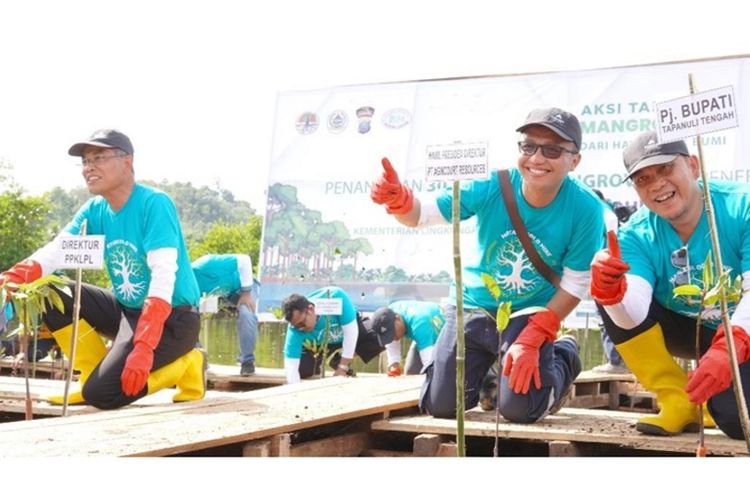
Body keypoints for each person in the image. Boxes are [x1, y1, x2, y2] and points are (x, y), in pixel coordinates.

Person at [371, 107, 605, 423]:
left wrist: (536, 336)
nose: (536, 158)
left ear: (574, 160)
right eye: (528, 146)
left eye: (551, 150)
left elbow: (575, 283)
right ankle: (491, 378)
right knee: (441, 407)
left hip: (527, 315)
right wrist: (397, 199)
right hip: (471, 308)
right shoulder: (491, 185)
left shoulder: (586, 208)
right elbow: (420, 215)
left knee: (520, 410)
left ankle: (564, 356)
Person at [0, 129, 204, 409]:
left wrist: (144, 346)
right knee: (49, 290)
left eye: (98, 158)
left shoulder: (154, 203)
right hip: (127, 310)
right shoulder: (95, 209)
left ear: (127, 162)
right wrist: (10, 280)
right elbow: (57, 250)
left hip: (173, 319)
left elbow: (163, 276)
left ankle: (186, 364)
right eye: (84, 161)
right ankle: (90, 375)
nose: (88, 167)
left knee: (103, 395)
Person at [590, 130, 750, 438]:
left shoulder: (741, 206)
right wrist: (612, 292)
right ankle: (679, 400)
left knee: (735, 418)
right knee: (611, 292)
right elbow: (634, 311)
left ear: (692, 165)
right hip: (689, 330)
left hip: (742, 332)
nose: (657, 184)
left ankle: (713, 401)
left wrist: (733, 346)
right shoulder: (635, 234)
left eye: (665, 168)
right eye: (642, 179)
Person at [281, 286, 383, 383]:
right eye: (296, 326)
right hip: (320, 344)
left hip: (346, 333)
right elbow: (291, 365)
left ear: (310, 309)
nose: (301, 328)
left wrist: (342, 367)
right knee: (302, 370)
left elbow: (350, 332)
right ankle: (317, 366)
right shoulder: (294, 328)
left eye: (302, 323)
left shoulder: (336, 297)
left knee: (382, 334)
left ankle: (339, 359)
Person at [192, 254, 259, 376]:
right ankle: (201, 360)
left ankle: (247, 361)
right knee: (188, 319)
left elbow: (245, 260)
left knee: (246, 314)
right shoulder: (188, 286)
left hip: (244, 287)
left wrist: (246, 292)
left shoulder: (207, 264)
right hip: (227, 295)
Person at [590, 189, 630, 375]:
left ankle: (616, 362)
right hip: (616, 269)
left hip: (606, 270)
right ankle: (623, 362)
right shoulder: (610, 210)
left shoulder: (600, 210)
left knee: (607, 317)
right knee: (616, 316)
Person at [370, 300, 445, 376]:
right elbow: (391, 344)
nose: (392, 338)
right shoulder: (389, 313)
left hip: (444, 335)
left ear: (398, 318)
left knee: (437, 374)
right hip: (424, 334)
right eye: (388, 336)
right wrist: (394, 367)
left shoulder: (419, 324)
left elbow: (429, 364)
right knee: (411, 371)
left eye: (392, 334)